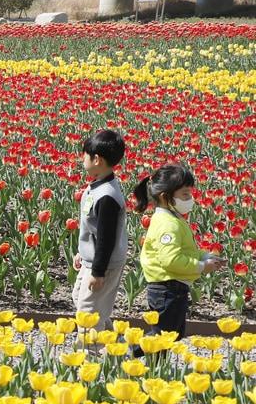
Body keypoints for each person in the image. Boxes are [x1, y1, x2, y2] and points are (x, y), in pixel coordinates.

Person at [133, 165, 222, 350]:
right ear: (166, 197)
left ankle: (148, 363)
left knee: (172, 333)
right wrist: (201, 266)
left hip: (173, 286)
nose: (190, 199)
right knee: (163, 336)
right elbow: (171, 260)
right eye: (185, 195)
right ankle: (127, 352)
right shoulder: (168, 224)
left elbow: (184, 251)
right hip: (166, 288)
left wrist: (205, 256)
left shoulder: (174, 218)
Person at [72, 130, 128, 332]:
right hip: (93, 259)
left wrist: (98, 272)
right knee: (80, 298)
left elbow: (106, 238)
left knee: (88, 314)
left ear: (97, 160)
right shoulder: (97, 186)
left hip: (104, 264)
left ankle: (92, 355)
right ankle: (115, 347)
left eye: (84, 155)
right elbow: (92, 228)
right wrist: (83, 251)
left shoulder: (107, 197)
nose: (82, 159)